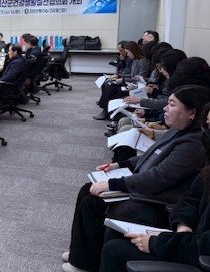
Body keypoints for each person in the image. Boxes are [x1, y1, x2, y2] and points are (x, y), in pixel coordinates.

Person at [62, 85, 210, 272]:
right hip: (151, 193)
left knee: (95, 203)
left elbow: (159, 177)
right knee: (87, 190)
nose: (165, 108)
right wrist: (120, 165)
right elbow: (151, 155)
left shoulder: (193, 144)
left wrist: (114, 184)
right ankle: (81, 255)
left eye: (172, 105)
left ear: (192, 113)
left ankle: (83, 262)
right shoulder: (177, 131)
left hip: (158, 201)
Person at [100, 103, 210, 272]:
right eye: (207, 125)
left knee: (114, 250)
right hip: (187, 239)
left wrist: (156, 243)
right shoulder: (207, 169)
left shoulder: (191, 145)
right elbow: (191, 198)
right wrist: (183, 225)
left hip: (197, 255)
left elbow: (203, 246)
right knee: (115, 231)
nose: (206, 132)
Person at [94, 41, 151, 120]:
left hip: (136, 86)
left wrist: (123, 80)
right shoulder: (135, 60)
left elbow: (140, 78)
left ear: (133, 51)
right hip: (130, 82)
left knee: (110, 86)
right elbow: (132, 75)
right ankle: (106, 108)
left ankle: (105, 110)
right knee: (109, 83)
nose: (127, 54)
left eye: (128, 52)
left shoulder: (142, 61)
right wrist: (120, 77)